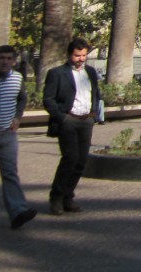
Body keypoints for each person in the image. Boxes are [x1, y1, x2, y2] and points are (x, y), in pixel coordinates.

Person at [43, 37, 102, 216]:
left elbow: (95, 93)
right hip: (68, 120)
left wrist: (93, 114)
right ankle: (56, 197)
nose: (81, 59)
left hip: (86, 121)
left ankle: (68, 197)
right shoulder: (57, 73)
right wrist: (62, 117)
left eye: (84, 55)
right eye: (77, 55)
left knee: (81, 161)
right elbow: (48, 99)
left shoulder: (90, 72)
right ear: (69, 55)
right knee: (70, 158)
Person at [0, 45, 36, 229]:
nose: (5, 61)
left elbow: (22, 98)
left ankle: (18, 212)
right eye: (2, 58)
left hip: (7, 136)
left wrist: (17, 117)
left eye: (9, 58)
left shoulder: (17, 78)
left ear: (14, 61)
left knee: (10, 174)